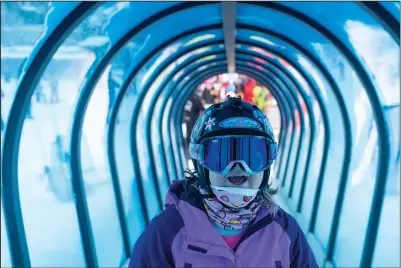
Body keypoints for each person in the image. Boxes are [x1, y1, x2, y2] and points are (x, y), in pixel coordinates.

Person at [129, 96, 318, 267]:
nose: (238, 169)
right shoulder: (167, 232)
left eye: (253, 158)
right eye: (221, 157)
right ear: (201, 165)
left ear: (267, 167)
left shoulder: (283, 232)